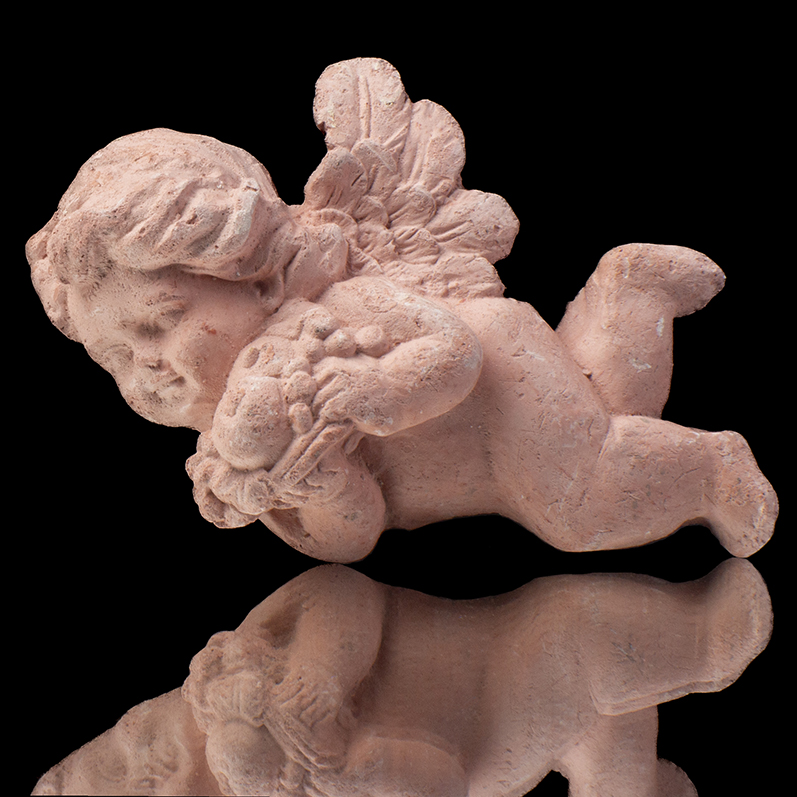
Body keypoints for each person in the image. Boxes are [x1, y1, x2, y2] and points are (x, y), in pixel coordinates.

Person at [27, 60, 777, 562]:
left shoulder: (333, 317)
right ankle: (630, 291)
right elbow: (351, 541)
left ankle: (712, 467)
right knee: (606, 410)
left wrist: (378, 389)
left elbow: (454, 349)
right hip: (483, 469)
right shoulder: (238, 444)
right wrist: (320, 483)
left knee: (580, 507)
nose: (146, 364)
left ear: (252, 277)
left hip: (500, 390)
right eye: (114, 357)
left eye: (158, 323)